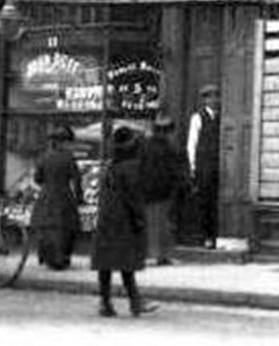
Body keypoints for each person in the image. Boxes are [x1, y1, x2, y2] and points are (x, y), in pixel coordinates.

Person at [91, 126, 157, 317]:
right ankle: (135, 301)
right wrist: (139, 218)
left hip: (106, 218)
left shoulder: (109, 165)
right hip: (124, 219)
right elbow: (134, 196)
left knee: (107, 263)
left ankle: (105, 302)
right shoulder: (132, 167)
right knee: (126, 262)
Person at [30, 126, 82, 270]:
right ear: (64, 142)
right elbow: (77, 179)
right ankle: (62, 258)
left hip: (46, 196)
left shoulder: (44, 157)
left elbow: (37, 178)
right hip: (64, 195)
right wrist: (79, 198)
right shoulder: (69, 158)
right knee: (65, 228)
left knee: (47, 227)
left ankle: (47, 257)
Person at [141, 114, 185, 265]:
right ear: (168, 132)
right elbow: (173, 170)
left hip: (147, 191)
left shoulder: (145, 145)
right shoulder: (168, 148)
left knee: (151, 223)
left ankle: (151, 254)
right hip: (163, 191)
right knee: (163, 224)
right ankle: (161, 255)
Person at [187, 83, 221, 249]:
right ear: (205, 100)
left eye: (216, 96)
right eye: (210, 97)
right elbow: (192, 144)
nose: (214, 100)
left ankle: (216, 236)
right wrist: (193, 167)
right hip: (204, 165)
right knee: (205, 201)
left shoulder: (222, 118)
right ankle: (205, 236)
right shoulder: (198, 118)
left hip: (218, 165)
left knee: (216, 201)